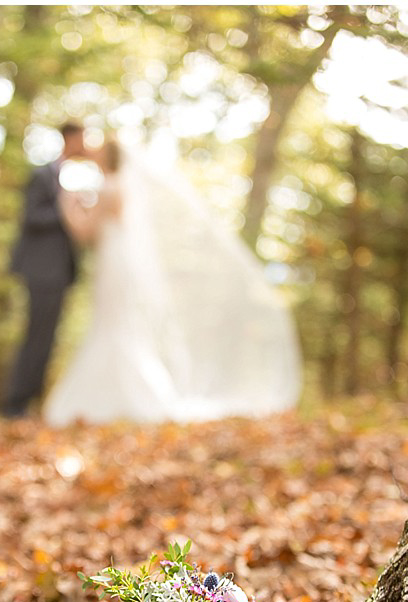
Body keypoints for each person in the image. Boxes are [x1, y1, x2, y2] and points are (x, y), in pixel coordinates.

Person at [41, 133, 301, 426]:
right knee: (119, 325)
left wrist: (69, 205)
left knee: (113, 325)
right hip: (118, 262)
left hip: (112, 262)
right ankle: (128, 395)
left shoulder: (109, 187)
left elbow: (84, 232)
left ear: (108, 157)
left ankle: (119, 397)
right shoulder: (122, 187)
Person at [1, 121, 87, 419]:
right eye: (82, 139)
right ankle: (15, 405)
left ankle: (33, 403)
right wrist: (65, 210)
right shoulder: (42, 174)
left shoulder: (67, 179)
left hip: (60, 272)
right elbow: (31, 217)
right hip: (41, 270)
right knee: (35, 337)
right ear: (69, 139)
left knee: (48, 339)